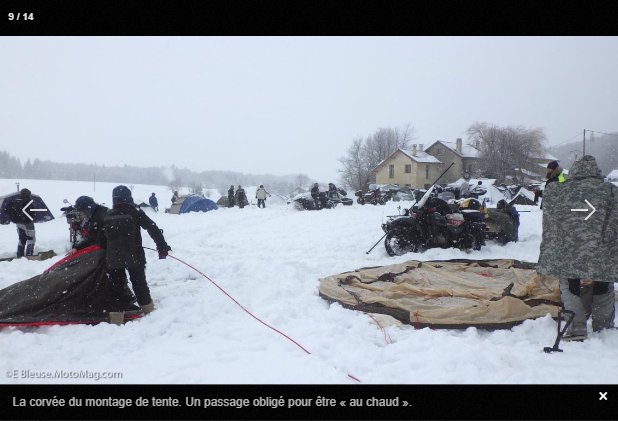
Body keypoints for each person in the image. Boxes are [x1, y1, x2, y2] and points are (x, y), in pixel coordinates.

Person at [537, 155, 616, 341]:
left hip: (568, 251)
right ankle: (603, 328)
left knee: (569, 285)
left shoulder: (557, 190)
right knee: (603, 283)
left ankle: (576, 328)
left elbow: (550, 222)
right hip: (601, 251)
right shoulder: (612, 191)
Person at [98, 185, 171, 325]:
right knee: (139, 284)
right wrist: (162, 247)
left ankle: (116, 319)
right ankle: (149, 312)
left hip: (113, 258)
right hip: (134, 256)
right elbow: (152, 228)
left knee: (116, 288)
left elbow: (101, 241)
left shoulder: (107, 215)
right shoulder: (135, 212)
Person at [6, 188, 36, 257]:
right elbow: (31, 211)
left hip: (18, 223)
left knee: (22, 239)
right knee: (31, 239)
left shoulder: (15, 200)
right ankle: (29, 255)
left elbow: (7, 210)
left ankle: (20, 255)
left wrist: (17, 217)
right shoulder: (27, 201)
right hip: (27, 223)